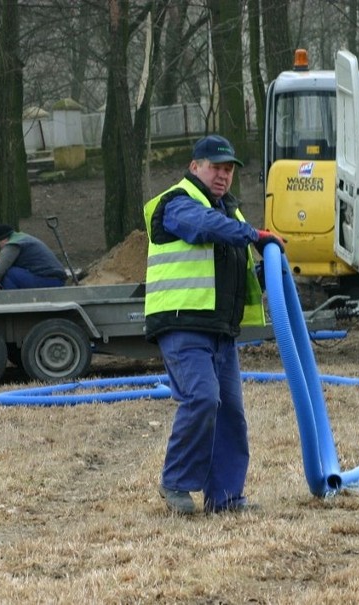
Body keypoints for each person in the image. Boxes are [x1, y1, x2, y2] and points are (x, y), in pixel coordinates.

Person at [143, 134, 285, 514]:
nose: (222, 175)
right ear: (194, 167)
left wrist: (263, 266)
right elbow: (203, 227)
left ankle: (225, 497)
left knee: (231, 414)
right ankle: (175, 484)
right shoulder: (177, 204)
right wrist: (255, 235)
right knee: (203, 398)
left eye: (228, 169)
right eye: (215, 167)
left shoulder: (230, 213)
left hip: (220, 330)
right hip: (182, 323)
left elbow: (226, 263)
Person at [0, 223, 67, 290]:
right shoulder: (23, 238)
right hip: (55, 279)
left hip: (48, 280)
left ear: (3, 240)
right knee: (12, 270)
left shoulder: (12, 244)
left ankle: (12, 302)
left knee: (7, 272)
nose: (0, 247)